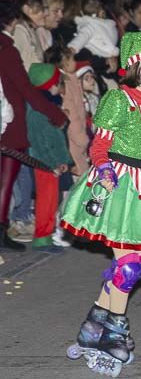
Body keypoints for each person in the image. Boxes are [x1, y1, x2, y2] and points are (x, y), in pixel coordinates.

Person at [60, 32, 141, 376]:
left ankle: (92, 326)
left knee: (128, 265)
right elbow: (99, 147)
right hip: (119, 188)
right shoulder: (119, 100)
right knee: (129, 268)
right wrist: (103, 170)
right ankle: (114, 329)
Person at [0, 1, 68, 251]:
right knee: (6, 180)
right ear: (12, 21)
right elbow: (25, 88)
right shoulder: (7, 49)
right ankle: (1, 228)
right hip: (10, 122)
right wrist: (54, 113)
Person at [24, 63, 72, 253]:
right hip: (44, 164)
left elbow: (55, 138)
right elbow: (39, 142)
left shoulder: (46, 105)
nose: (57, 87)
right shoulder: (36, 110)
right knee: (46, 200)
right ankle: (42, 237)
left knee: (51, 200)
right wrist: (53, 163)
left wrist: (63, 160)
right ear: (46, 85)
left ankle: (47, 234)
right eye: (55, 83)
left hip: (52, 163)